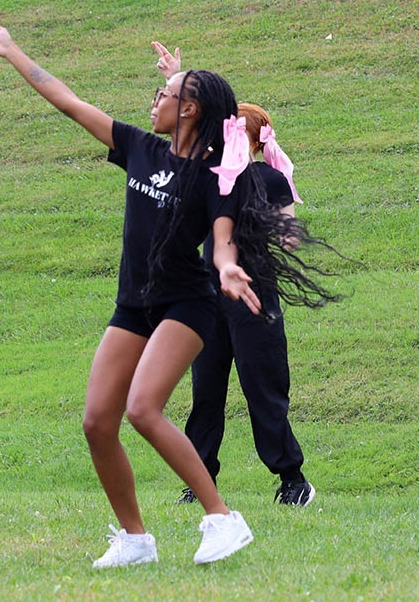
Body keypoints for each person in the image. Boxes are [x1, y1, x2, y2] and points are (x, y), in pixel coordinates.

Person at [0, 21, 334, 568]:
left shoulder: (216, 178)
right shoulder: (139, 148)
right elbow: (67, 100)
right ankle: (136, 540)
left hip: (187, 305)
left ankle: (223, 518)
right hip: (133, 303)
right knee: (96, 421)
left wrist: (229, 270)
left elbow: (224, 243)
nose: (154, 100)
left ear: (188, 110)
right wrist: (11, 50)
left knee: (143, 408)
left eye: (164, 94)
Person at [149, 43, 314, 507]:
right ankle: (199, 480)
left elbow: (289, 240)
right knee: (206, 391)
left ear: (251, 137)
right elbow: (181, 144)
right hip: (207, 295)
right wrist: (177, 78)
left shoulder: (269, 179)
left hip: (254, 296)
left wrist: (270, 231)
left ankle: (292, 480)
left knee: (263, 386)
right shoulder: (209, 173)